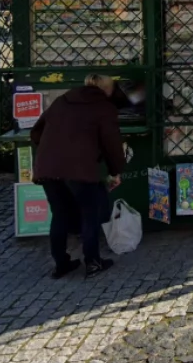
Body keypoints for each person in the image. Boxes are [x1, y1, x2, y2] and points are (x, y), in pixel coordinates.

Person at [31, 73, 127, 279]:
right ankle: (92, 263)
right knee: (89, 214)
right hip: (79, 170)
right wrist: (115, 171)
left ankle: (60, 264)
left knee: (60, 215)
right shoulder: (104, 108)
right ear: (108, 89)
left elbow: (36, 133)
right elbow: (112, 145)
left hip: (48, 168)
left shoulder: (61, 101)